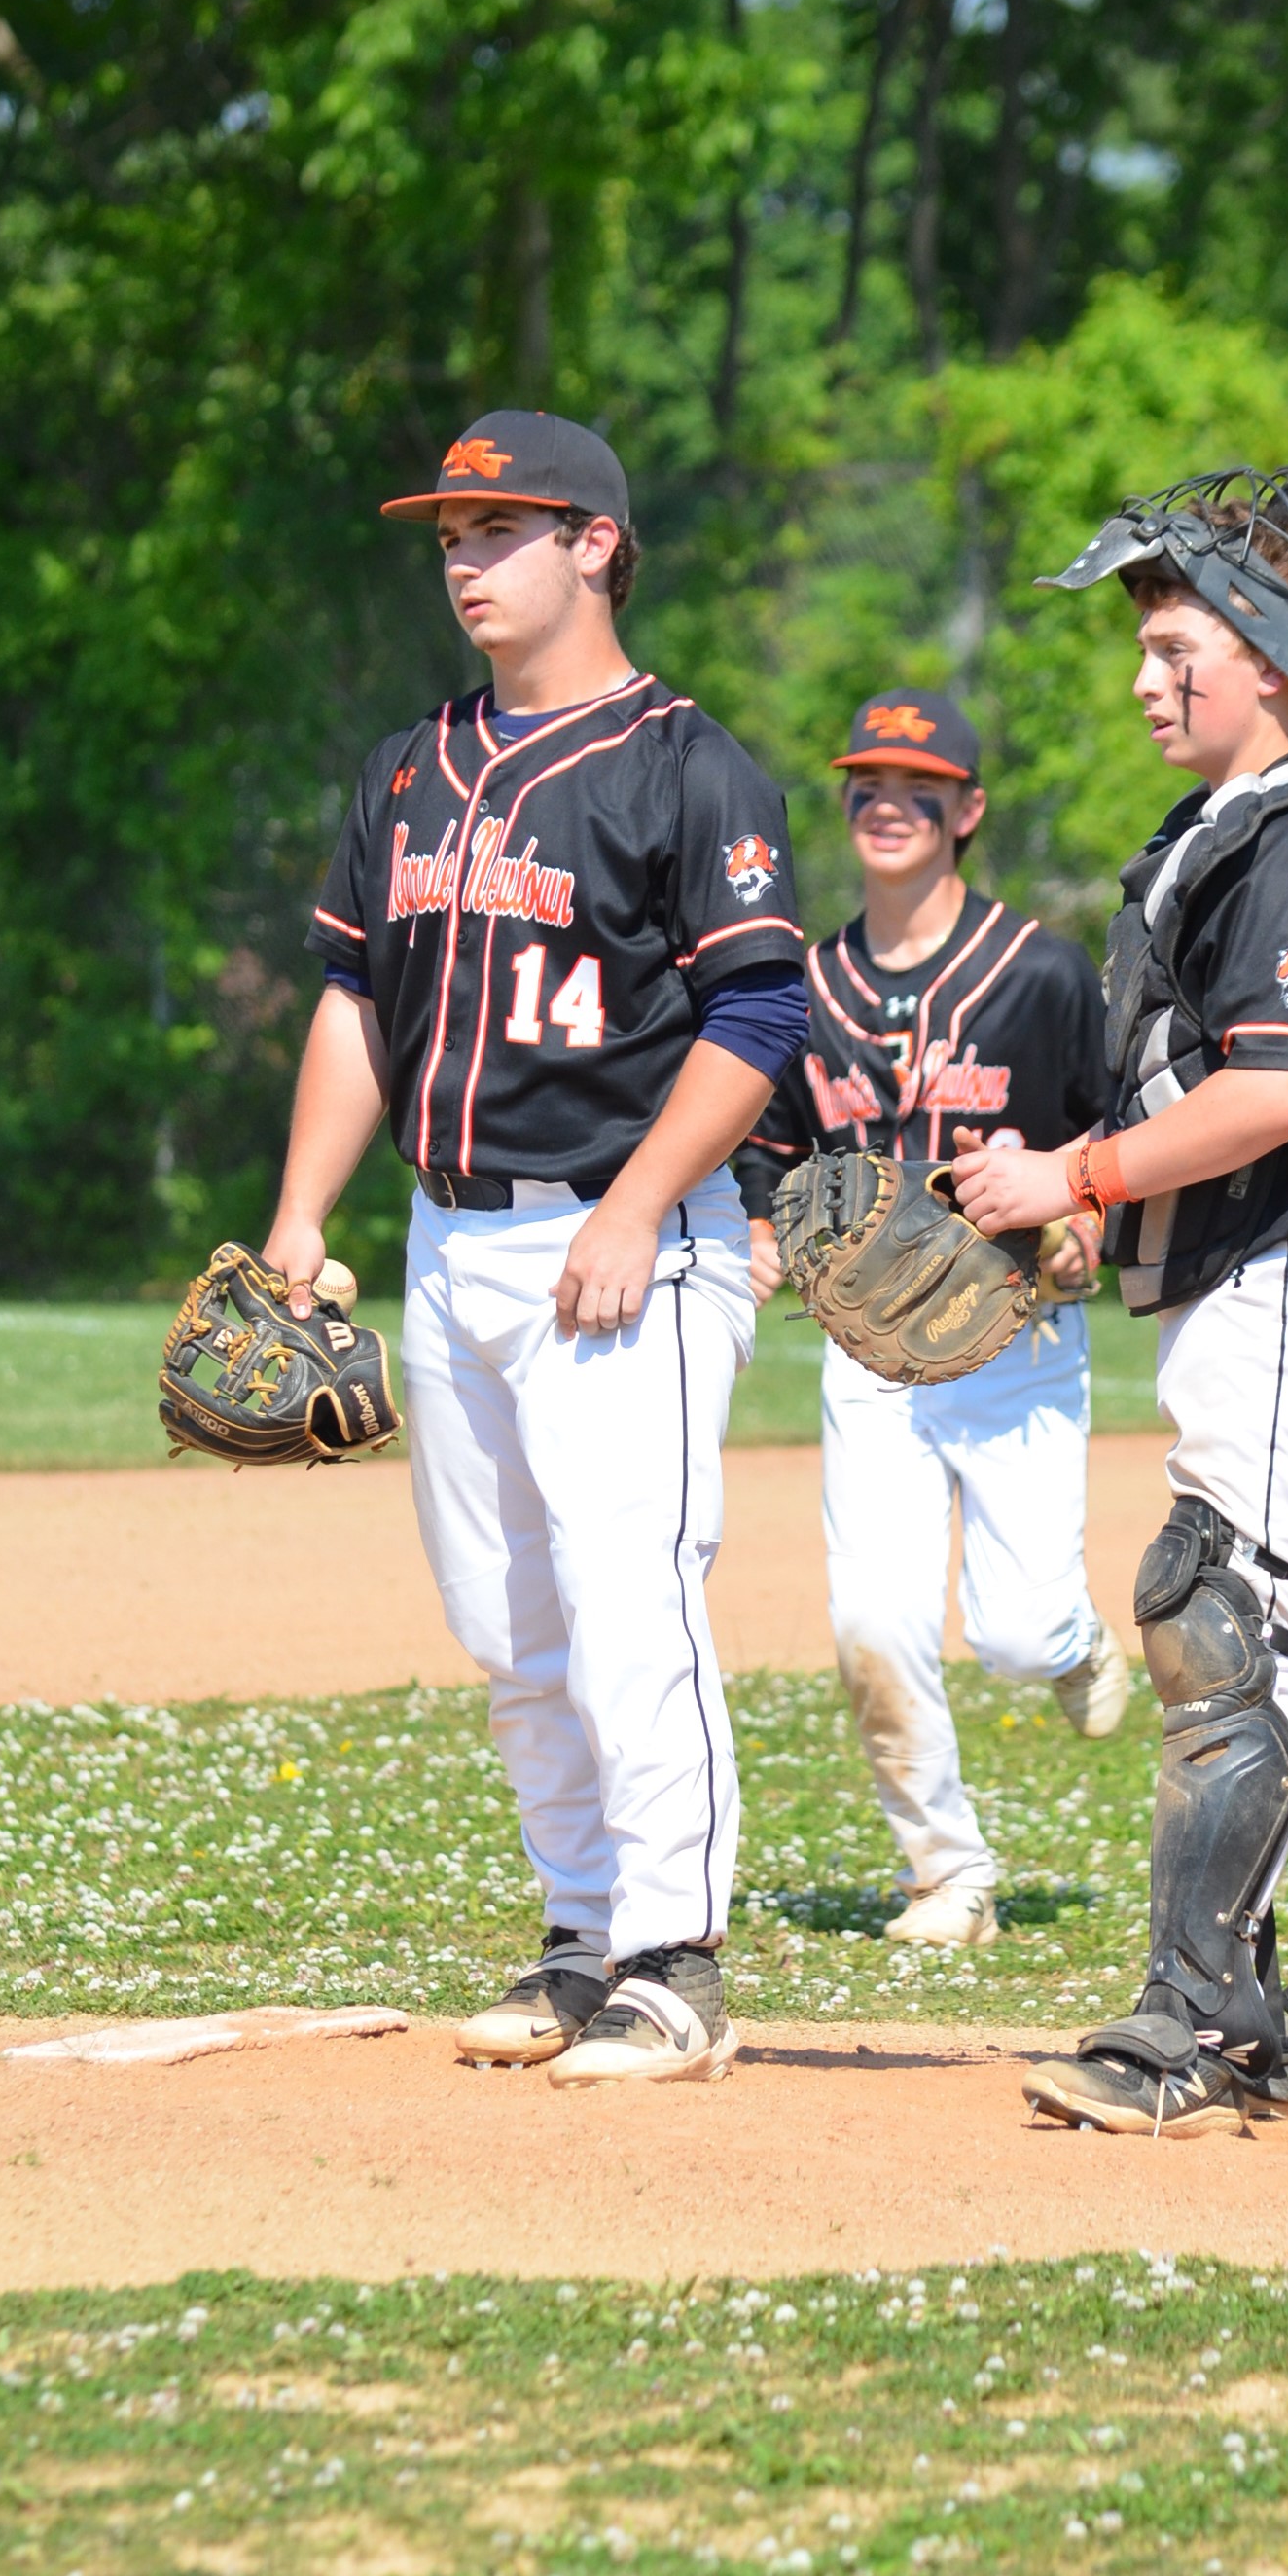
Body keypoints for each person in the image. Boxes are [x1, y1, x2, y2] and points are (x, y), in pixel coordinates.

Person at [266, 409, 807, 2088]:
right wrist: (299, 1217)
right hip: (450, 1238)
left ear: (595, 545)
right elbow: (360, 997)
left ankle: (676, 1958)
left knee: (628, 1593)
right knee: (511, 1624)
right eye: (447, 535)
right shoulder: (413, 763)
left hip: (621, 1238)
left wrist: (641, 1204)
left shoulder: (684, 764)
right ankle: (582, 1938)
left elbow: (763, 1006)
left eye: (498, 529)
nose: (465, 561)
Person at [949, 467, 1288, 2136]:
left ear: (1269, 652)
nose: (1143, 676)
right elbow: (1215, 1081)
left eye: (1177, 642)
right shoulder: (1238, 833)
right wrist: (1113, 1206)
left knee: (1216, 1617)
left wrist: (1079, 1176)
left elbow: (1281, 1095)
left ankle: (1192, 2019)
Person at [735, 687, 1133, 1952]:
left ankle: (1072, 1645)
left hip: (1012, 1340)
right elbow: (770, 1155)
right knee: (870, 1625)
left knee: (1013, 1631)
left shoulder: (1039, 974)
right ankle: (944, 1873)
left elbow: (1112, 1135)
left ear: (965, 810)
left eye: (917, 785)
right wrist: (760, 1239)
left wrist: (1087, 1223)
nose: (886, 804)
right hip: (871, 1362)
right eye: (866, 783)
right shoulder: (808, 988)